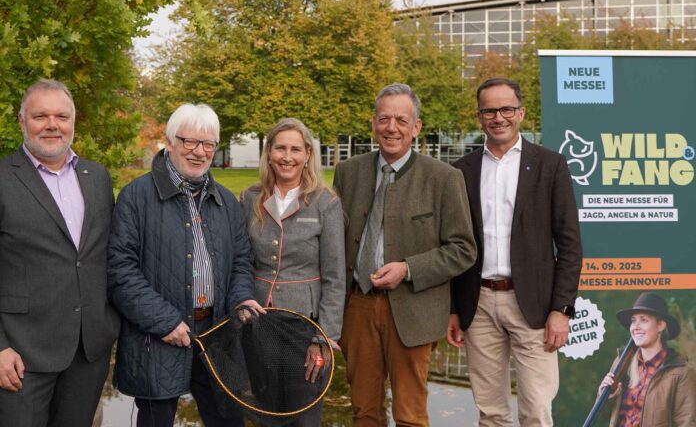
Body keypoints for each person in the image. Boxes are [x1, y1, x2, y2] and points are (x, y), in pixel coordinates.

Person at [107, 103, 264, 426]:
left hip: (218, 334)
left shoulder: (225, 202)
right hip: (159, 338)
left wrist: (241, 298)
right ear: (170, 141)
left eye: (208, 144)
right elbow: (120, 271)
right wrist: (164, 321)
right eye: (189, 141)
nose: (198, 152)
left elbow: (241, 263)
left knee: (228, 419)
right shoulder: (136, 197)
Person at [334, 83, 477, 426]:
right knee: (364, 412)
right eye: (384, 119)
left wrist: (409, 269)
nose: (391, 127)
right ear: (373, 123)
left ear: (416, 127)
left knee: (410, 415)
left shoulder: (444, 178)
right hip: (358, 309)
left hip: (414, 310)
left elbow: (463, 249)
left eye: (401, 119)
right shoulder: (348, 172)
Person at [448, 77, 582, 426]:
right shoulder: (461, 172)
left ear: (521, 112)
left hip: (535, 306)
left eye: (506, 108)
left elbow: (569, 244)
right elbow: (452, 245)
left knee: (536, 411)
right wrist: (453, 309)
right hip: (477, 305)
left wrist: (561, 309)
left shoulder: (550, 165)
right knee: (491, 412)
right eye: (489, 110)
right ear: (479, 117)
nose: (498, 117)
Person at [0, 79, 120, 426]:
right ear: (22, 122)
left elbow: (102, 256)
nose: (52, 125)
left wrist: (109, 323)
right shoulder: (4, 178)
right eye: (41, 116)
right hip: (21, 356)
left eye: (61, 116)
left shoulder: (97, 177)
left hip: (87, 353)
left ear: (73, 122)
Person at [240, 117, 345, 426]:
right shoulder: (250, 199)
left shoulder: (325, 203)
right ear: (269, 152)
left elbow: (335, 278)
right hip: (258, 323)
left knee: (304, 416)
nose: (287, 157)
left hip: (305, 327)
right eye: (280, 148)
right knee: (267, 413)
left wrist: (324, 337)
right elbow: (241, 262)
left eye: (296, 149)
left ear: (308, 155)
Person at [596, 292, 696, 427]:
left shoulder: (682, 373)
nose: (636, 327)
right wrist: (607, 396)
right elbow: (603, 416)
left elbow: (687, 422)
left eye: (643, 320)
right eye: (633, 320)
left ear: (660, 325)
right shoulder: (621, 363)